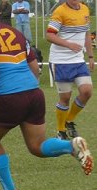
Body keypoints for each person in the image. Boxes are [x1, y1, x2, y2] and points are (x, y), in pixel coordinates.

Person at [0, 0, 93, 190]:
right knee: (36, 146)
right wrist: (28, 89)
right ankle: (71, 145)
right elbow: (34, 65)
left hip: (9, 97)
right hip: (35, 94)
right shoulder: (15, 32)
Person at [46, 0, 95, 140]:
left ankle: (69, 121)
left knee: (87, 91)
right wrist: (68, 45)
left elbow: (86, 34)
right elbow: (49, 35)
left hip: (78, 60)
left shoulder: (85, 9)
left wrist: (90, 56)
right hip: (60, 61)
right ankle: (61, 130)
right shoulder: (59, 12)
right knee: (65, 98)